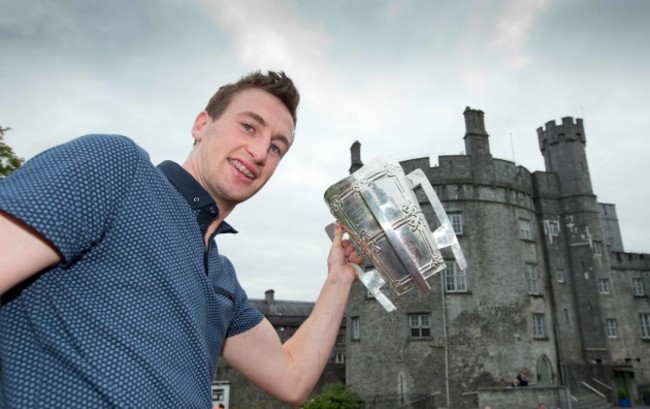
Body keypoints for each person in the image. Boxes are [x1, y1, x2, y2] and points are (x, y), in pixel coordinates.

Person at [0, 71, 361, 408]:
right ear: (202, 124)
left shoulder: (222, 280)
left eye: (277, 148)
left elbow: (292, 377)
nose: (260, 152)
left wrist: (338, 277)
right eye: (249, 126)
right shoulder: (119, 171)